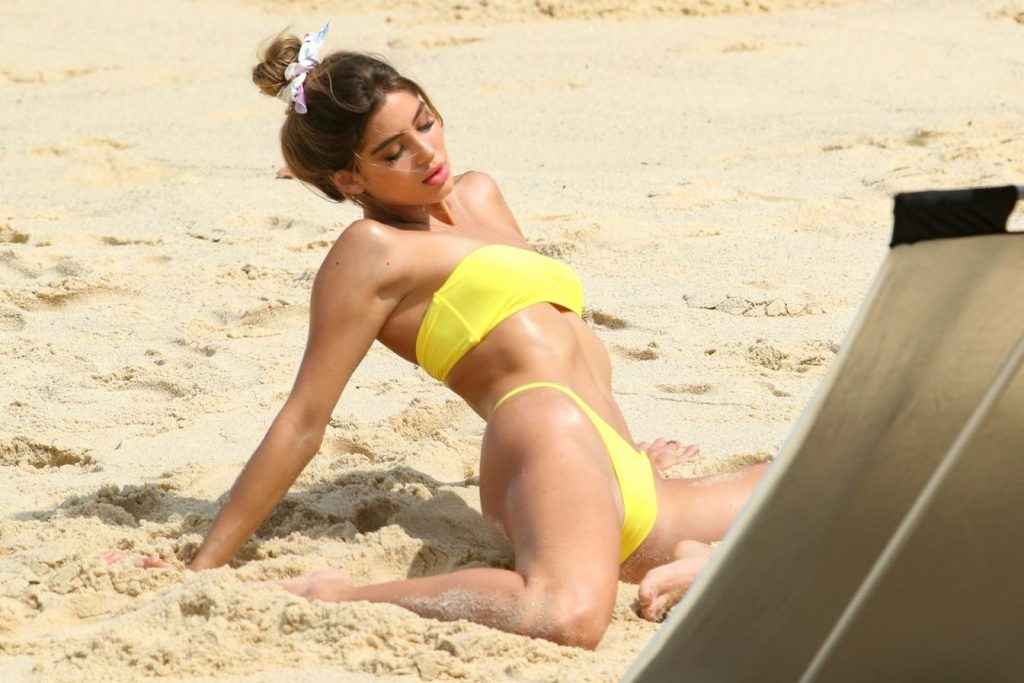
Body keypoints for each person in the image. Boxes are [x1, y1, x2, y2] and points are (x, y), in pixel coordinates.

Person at [122, 22, 770, 649]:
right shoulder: (371, 251)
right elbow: (304, 419)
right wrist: (205, 563)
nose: (427, 154)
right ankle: (338, 594)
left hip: (610, 467)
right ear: (349, 179)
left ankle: (697, 559)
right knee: (568, 616)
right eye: (392, 152)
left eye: (425, 123)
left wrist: (620, 455)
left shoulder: (481, 195)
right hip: (543, 436)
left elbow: (560, 341)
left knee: (819, 486)